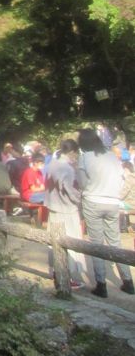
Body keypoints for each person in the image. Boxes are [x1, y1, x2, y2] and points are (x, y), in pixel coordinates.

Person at [77, 127, 134, 298]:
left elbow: (82, 183)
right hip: (112, 201)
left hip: (93, 200)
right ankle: (128, 281)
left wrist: (91, 189)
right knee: (115, 241)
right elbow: (121, 178)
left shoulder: (84, 157)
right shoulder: (111, 156)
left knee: (96, 243)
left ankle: (101, 284)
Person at [44, 139, 85, 290]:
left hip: (53, 207)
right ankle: (67, 276)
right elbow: (69, 189)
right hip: (66, 209)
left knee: (54, 242)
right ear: (73, 152)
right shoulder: (66, 168)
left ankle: (57, 272)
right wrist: (81, 197)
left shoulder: (52, 164)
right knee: (70, 243)